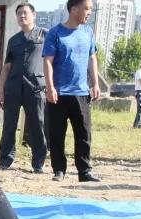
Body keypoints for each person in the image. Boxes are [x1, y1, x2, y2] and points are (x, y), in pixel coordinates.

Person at [43, 0, 101, 183]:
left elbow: (92, 59)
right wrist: (50, 87)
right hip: (59, 93)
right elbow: (48, 62)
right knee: (57, 134)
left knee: (84, 134)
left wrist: (95, 83)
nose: (89, 12)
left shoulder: (88, 32)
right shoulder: (55, 33)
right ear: (74, 9)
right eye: (87, 8)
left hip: (81, 93)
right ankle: (59, 170)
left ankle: (84, 172)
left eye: (91, 9)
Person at [0, 3, 47, 172]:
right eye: (19, 14)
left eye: (25, 13)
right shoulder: (13, 40)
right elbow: (6, 68)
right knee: (9, 125)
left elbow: (53, 62)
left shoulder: (45, 35)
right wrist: (1, 92)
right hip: (14, 88)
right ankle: (5, 160)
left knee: (37, 125)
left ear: (34, 15)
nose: (22, 16)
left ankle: (38, 163)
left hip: (36, 87)